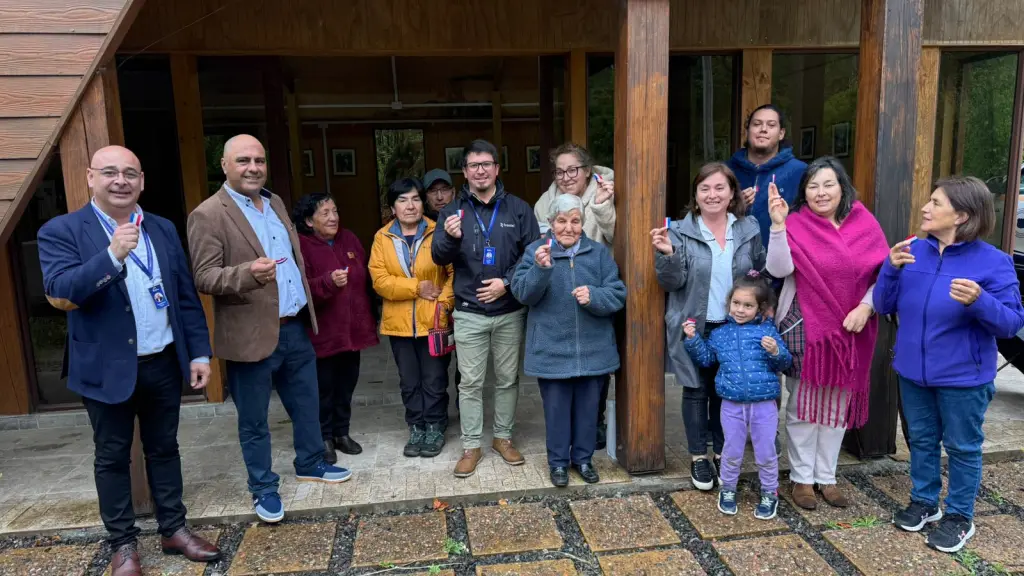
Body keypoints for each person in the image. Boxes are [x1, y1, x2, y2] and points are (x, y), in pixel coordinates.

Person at [37, 146, 221, 575]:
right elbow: (62, 286)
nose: (120, 181)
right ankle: (123, 545)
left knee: (164, 448)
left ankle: (174, 529)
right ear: (90, 178)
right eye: (110, 172)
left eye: (130, 173)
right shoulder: (62, 230)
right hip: (104, 367)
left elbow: (183, 295)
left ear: (142, 180)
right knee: (113, 456)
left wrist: (198, 352)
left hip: (161, 360)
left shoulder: (161, 227)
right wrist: (112, 255)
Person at [187, 134, 351, 525]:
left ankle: (311, 462)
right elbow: (204, 276)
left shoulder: (275, 202)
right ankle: (263, 487)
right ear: (224, 165)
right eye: (243, 160)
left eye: (259, 160)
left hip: (294, 327)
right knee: (255, 420)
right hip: (250, 334)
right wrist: (247, 274)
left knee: (307, 405)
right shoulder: (208, 214)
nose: (253, 167)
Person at [875, 176, 1024, 553]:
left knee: (962, 446)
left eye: (935, 203)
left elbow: (1011, 323)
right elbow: (883, 305)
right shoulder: (912, 251)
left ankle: (959, 516)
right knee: (922, 441)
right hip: (912, 371)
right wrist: (890, 269)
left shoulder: (994, 263)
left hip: (964, 378)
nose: (926, 208)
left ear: (961, 215)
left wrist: (979, 301)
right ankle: (925, 502)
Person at [765, 156, 889, 510]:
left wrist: (866, 307)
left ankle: (827, 476)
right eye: (813, 186)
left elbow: (883, 276)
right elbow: (778, 268)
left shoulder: (864, 223)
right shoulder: (796, 224)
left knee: (837, 406)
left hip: (852, 327)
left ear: (842, 187)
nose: (820, 193)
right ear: (804, 191)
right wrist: (777, 225)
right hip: (808, 329)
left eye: (828, 184)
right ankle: (801, 479)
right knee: (803, 406)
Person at [651, 162, 766, 491]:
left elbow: (758, 270)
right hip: (695, 326)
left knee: (724, 391)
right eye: (705, 189)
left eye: (719, 188)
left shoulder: (748, 228)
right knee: (696, 390)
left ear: (732, 193)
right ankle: (698, 456)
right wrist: (668, 254)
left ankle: (720, 453)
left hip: (734, 327)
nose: (712, 195)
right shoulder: (679, 231)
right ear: (696, 195)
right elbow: (671, 281)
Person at [431, 139, 541, 478]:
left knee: (508, 379)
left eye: (486, 164)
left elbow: (532, 253)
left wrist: (505, 283)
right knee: (471, 383)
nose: (480, 170)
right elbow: (438, 256)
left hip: (508, 309)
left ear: (496, 168)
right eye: (473, 165)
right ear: (464, 171)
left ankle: (503, 438)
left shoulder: (519, 209)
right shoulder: (452, 212)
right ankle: (471, 445)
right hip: (468, 310)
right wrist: (449, 237)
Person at [512, 194, 626, 487]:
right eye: (561, 221)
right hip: (551, 349)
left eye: (575, 221)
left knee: (589, 411)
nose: (568, 227)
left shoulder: (598, 254)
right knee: (557, 412)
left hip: (593, 349)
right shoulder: (535, 251)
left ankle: (584, 459)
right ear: (550, 223)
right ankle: (559, 463)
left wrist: (595, 296)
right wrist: (541, 269)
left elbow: (617, 293)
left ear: (582, 223)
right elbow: (522, 293)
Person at [683, 271, 791, 520]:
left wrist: (775, 351)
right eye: (736, 303)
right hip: (731, 404)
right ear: (729, 303)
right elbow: (708, 360)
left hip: (764, 405)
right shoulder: (720, 334)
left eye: (748, 305)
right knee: (731, 451)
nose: (740, 309)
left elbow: (783, 363)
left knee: (766, 451)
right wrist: (693, 340)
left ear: (760, 308)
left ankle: (769, 492)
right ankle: (728, 489)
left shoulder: (768, 332)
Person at [532, 142, 617, 450]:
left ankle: (594, 421)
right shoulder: (545, 202)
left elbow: (616, 236)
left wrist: (603, 206)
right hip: (558, 285)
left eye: (572, 170)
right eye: (559, 171)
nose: (565, 177)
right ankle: (567, 427)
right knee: (563, 361)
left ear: (588, 170)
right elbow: (540, 240)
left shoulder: (606, 189)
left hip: (595, 282)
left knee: (595, 360)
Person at [369, 178, 455, 458]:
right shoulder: (382, 238)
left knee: (434, 378)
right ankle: (416, 426)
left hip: (434, 321)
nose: (410, 206)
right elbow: (380, 280)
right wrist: (417, 288)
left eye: (416, 199)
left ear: (423, 203)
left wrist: (443, 304)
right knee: (409, 380)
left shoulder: (438, 231)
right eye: (403, 200)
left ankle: (435, 425)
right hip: (399, 324)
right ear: (392, 207)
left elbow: (454, 273)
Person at [293, 193, 379, 463]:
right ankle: (324, 437)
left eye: (335, 210)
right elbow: (300, 290)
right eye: (325, 213)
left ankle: (342, 433)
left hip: (352, 331)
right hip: (323, 334)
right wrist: (327, 282)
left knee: (347, 385)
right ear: (309, 221)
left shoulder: (349, 239)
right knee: (323, 388)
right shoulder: (301, 246)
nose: (333, 217)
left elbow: (365, 279)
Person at [726, 104, 808, 247]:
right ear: (747, 130)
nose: (763, 129)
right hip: (732, 261)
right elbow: (703, 218)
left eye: (771, 125)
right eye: (757, 124)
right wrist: (732, 208)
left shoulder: (800, 172)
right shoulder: (726, 171)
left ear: (781, 133)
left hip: (784, 261)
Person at [423, 168, 461, 413]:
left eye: (444, 190)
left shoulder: (465, 217)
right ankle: (438, 416)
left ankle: (465, 411)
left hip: (465, 303)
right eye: (433, 191)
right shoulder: (419, 226)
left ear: (453, 192)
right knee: (435, 366)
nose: (439, 196)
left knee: (466, 368)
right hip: (433, 307)